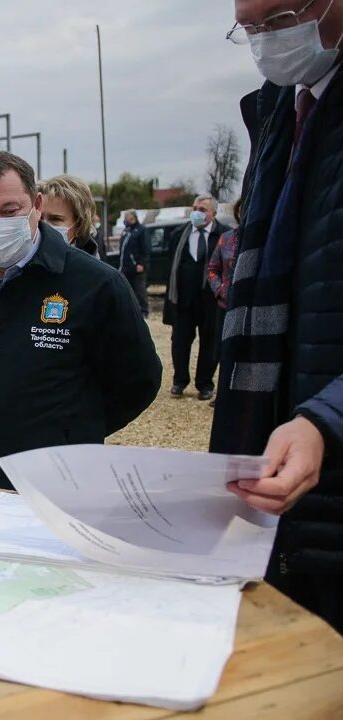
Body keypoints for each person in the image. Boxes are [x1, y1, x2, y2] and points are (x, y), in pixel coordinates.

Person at [212, 0, 343, 632]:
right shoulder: (280, 115)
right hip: (287, 496)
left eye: (281, 16)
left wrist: (326, 420)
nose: (267, 40)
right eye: (251, 27)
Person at [0, 152, 161, 489]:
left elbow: (138, 381)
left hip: (58, 486)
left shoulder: (96, 285)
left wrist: (71, 432)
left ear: (36, 204)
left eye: (9, 211)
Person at [163, 194, 232, 401]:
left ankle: (205, 384)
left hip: (210, 300)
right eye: (195, 208)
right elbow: (171, 266)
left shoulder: (223, 235)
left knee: (209, 342)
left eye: (202, 210)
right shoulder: (179, 234)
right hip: (183, 299)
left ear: (213, 213)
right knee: (180, 341)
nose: (197, 213)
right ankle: (179, 380)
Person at [206, 198, 242, 406]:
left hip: (250, 305)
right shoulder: (226, 238)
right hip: (225, 304)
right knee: (222, 348)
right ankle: (223, 392)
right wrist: (219, 289)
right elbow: (213, 268)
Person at [38, 174, 102, 258]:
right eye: (39, 218)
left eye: (55, 219)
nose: (43, 226)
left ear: (79, 225)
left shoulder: (92, 270)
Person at [117, 210, 151, 318]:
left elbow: (146, 248)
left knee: (140, 290)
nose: (125, 220)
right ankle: (130, 310)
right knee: (127, 289)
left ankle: (144, 311)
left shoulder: (141, 230)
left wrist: (141, 263)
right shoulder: (126, 231)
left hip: (137, 267)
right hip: (125, 266)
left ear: (132, 218)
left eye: (127, 218)